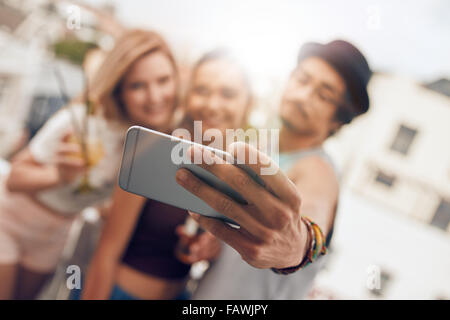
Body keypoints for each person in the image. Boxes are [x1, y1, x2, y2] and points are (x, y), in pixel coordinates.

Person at [175, 40, 372, 299]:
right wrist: (214, 246)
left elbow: (308, 232)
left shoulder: (320, 171)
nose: (303, 96)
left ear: (337, 119)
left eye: (323, 95)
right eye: (302, 80)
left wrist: (298, 248)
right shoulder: (261, 148)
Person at [0, 29, 179, 300]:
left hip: (54, 237)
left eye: (163, 80)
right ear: (120, 89)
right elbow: (14, 179)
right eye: (137, 85)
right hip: (9, 223)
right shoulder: (83, 121)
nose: (154, 96)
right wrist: (58, 175)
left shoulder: (149, 144)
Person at [81, 49, 252, 300]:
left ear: (248, 102)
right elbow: (107, 252)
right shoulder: (154, 149)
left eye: (227, 94)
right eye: (202, 90)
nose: (213, 105)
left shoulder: (233, 168)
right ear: (187, 94)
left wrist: (209, 246)